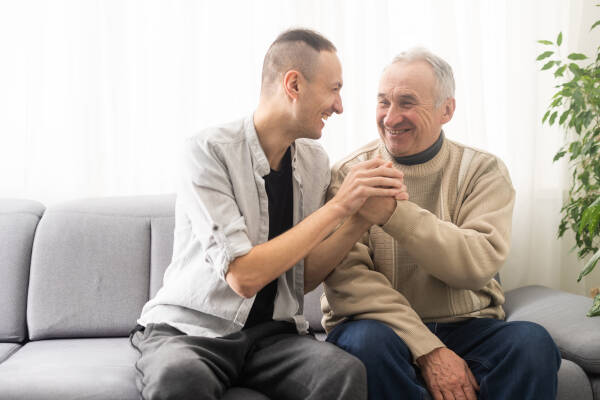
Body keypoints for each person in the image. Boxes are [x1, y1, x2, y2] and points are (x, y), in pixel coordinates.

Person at [130, 28, 408, 400]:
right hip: (192, 331)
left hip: (272, 338)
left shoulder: (314, 163)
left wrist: (359, 218)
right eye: (334, 89)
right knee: (180, 380)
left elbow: (301, 278)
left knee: (342, 373)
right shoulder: (207, 152)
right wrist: (339, 205)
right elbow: (243, 276)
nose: (339, 106)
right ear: (293, 84)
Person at [321, 48, 561, 400]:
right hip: (381, 330)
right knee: (366, 342)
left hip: (467, 327)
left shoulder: (484, 171)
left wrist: (393, 213)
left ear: (446, 110)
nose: (390, 117)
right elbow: (348, 283)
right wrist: (427, 348)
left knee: (532, 343)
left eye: (406, 103)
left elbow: (475, 264)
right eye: (383, 101)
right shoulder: (349, 175)